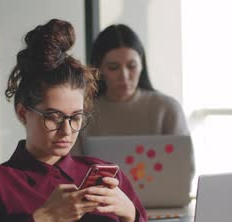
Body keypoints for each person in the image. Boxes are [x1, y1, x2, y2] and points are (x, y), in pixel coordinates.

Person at [0, 19, 163, 222]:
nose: (67, 130)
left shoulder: (107, 177)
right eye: (53, 117)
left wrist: (130, 216)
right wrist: (44, 219)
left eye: (76, 117)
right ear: (23, 113)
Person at [77, 24, 195, 185]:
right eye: (113, 67)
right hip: (100, 206)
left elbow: (184, 170)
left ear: (142, 66)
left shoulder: (167, 109)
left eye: (131, 66)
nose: (124, 76)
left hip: (162, 205)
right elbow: (73, 172)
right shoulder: (83, 112)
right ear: (99, 70)